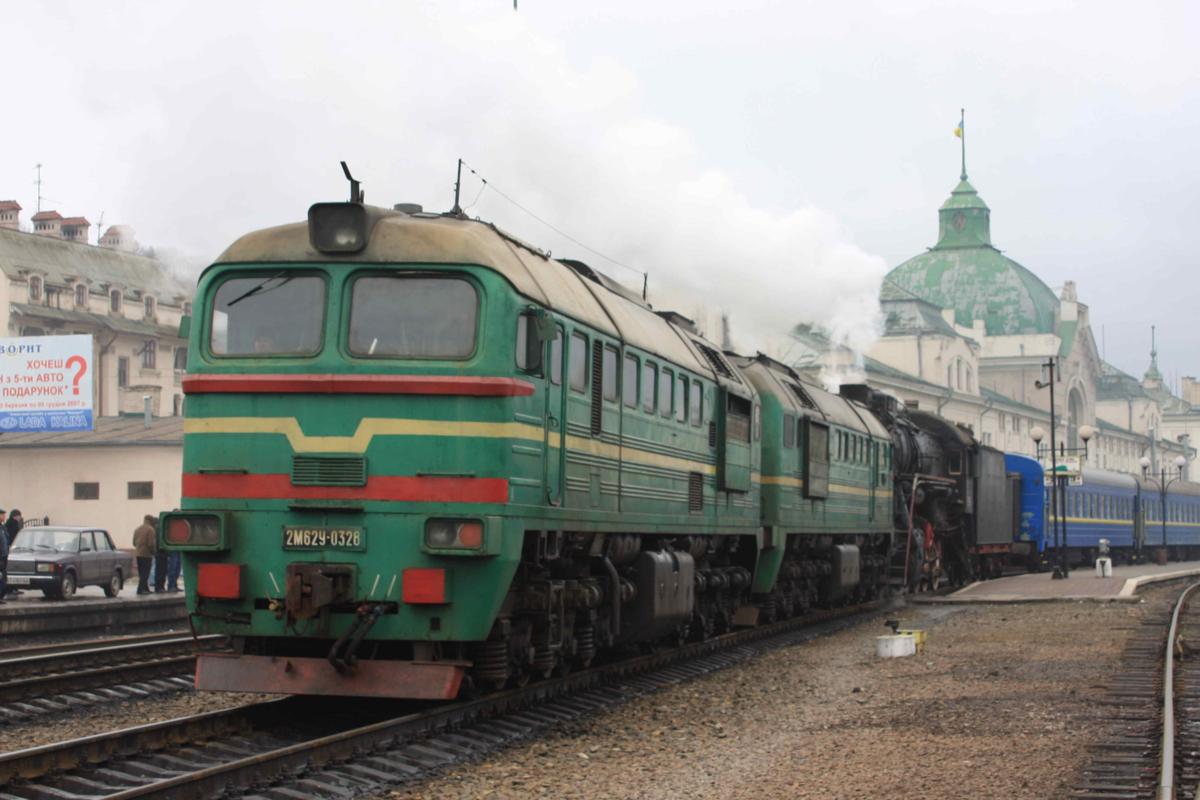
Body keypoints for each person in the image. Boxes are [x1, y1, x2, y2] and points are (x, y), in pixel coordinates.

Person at [132, 515, 157, 595]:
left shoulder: (137, 529)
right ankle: (140, 589)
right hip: (146, 554)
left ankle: (145, 588)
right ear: (150, 521)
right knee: (145, 573)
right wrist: (153, 552)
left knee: (141, 572)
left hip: (138, 554)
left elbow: (134, 543)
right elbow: (151, 544)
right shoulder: (150, 530)